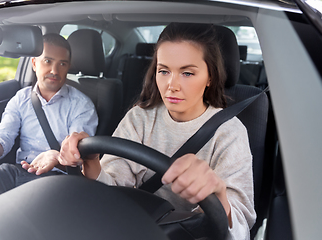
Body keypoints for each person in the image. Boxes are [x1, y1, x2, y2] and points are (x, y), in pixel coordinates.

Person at [57, 23, 256, 240]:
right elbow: (110, 192)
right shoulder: (139, 118)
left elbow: (240, 231)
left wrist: (219, 198)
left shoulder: (229, 132)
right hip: (131, 227)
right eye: (164, 71)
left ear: (210, 77)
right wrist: (91, 160)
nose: (172, 85)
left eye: (187, 73)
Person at [0, 33, 98, 212]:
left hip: (60, 179)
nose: (54, 70)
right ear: (34, 64)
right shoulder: (21, 98)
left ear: (68, 67)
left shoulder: (82, 105)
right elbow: (4, 136)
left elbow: (79, 155)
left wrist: (56, 158)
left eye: (62, 63)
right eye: (47, 61)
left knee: (12, 216)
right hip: (18, 171)